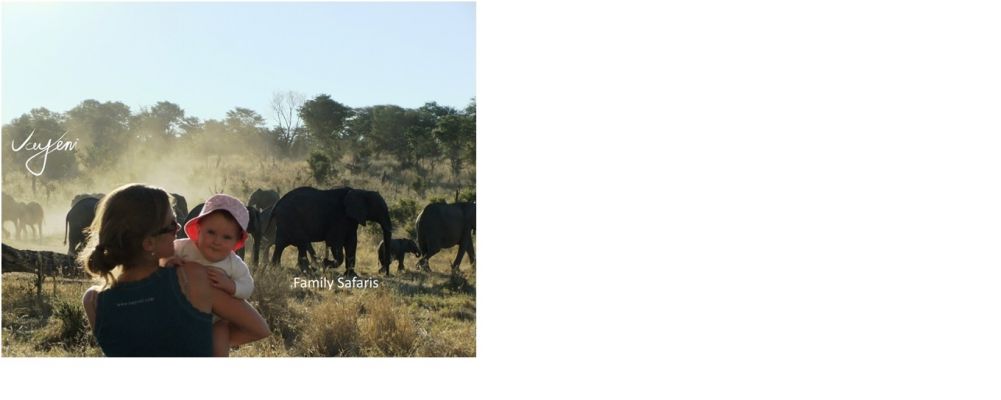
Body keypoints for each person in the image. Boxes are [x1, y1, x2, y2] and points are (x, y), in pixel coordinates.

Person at [80, 184, 269, 357]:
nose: (178, 228)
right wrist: (214, 339)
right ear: (149, 243)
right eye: (171, 225)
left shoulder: (93, 301)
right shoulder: (193, 277)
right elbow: (259, 329)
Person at [167, 193, 257, 356]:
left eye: (226, 237)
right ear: (199, 229)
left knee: (220, 339)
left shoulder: (233, 263)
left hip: (216, 319)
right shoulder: (184, 248)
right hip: (181, 312)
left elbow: (248, 286)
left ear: (236, 242)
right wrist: (168, 261)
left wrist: (231, 286)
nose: (217, 241)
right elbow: (164, 255)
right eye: (211, 232)